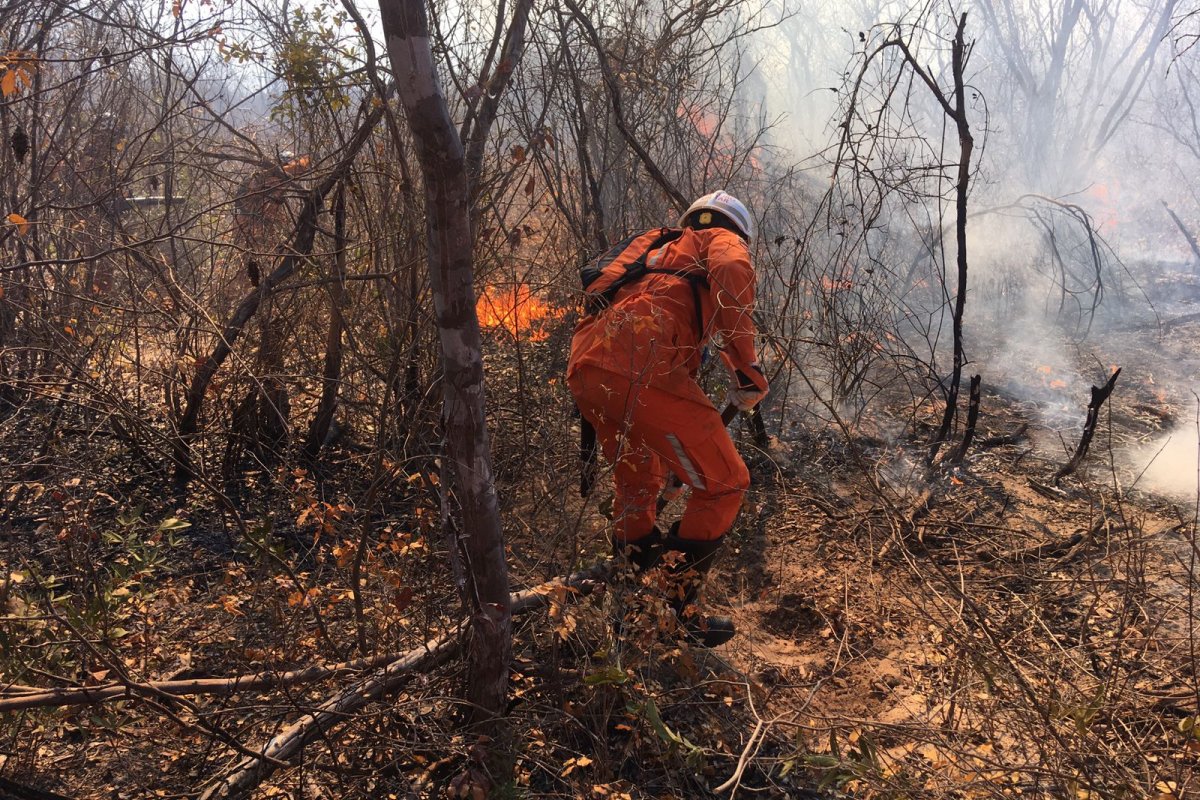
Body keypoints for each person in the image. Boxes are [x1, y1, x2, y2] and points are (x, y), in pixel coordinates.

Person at [567, 191, 769, 647]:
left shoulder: (657, 248)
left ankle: (627, 608)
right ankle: (671, 612)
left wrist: (678, 462)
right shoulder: (722, 240)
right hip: (639, 365)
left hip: (588, 365)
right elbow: (734, 271)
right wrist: (746, 366)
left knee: (639, 486)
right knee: (725, 482)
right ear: (739, 229)